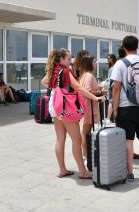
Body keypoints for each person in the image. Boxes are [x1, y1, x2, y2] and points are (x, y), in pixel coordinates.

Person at [41, 49, 104, 179]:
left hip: (54, 105)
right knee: (77, 139)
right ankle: (82, 171)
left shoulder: (53, 70)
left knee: (60, 139)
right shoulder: (65, 71)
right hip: (65, 107)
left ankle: (62, 170)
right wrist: (94, 97)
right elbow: (79, 88)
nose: (71, 62)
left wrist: (57, 87)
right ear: (61, 59)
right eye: (69, 59)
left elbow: (44, 82)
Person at [110, 36, 139, 181]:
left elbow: (116, 88)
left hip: (126, 107)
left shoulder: (120, 64)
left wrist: (115, 109)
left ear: (123, 46)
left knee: (128, 140)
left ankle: (129, 173)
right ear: (137, 46)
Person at [78, 56, 107, 164]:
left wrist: (99, 89)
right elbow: (87, 91)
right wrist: (100, 93)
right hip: (89, 107)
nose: (96, 63)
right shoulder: (88, 76)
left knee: (86, 131)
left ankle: (87, 154)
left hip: (89, 107)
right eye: (94, 61)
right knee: (86, 132)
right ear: (89, 63)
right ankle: (86, 156)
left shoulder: (85, 75)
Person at [105, 54, 117, 123]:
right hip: (111, 87)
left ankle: (108, 118)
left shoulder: (114, 67)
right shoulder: (112, 67)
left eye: (109, 58)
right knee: (112, 102)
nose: (108, 59)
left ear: (113, 58)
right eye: (107, 58)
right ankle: (109, 118)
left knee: (111, 102)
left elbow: (113, 78)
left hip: (112, 87)